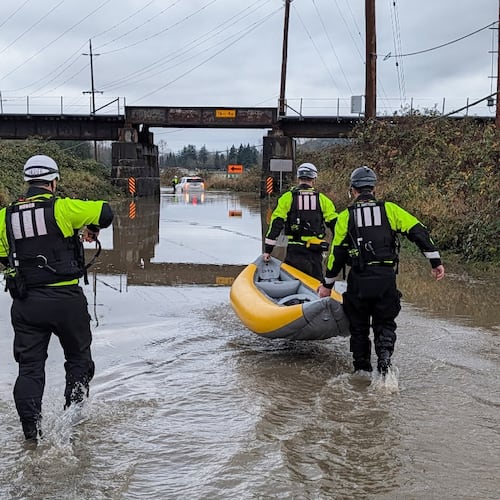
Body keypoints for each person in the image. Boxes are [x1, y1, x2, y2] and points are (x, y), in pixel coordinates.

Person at [0, 154, 114, 441]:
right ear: (53, 182)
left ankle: (31, 436)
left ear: (26, 182)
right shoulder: (63, 208)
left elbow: (3, 258)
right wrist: (91, 228)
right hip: (66, 301)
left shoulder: (5, 216)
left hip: (26, 304)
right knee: (78, 359)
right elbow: (106, 212)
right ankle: (71, 425)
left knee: (29, 370)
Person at [318, 166, 445, 375]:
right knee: (385, 323)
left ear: (353, 190)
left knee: (358, 329)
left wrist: (327, 285)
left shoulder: (345, 216)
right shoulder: (390, 210)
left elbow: (337, 254)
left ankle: (362, 371)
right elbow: (418, 232)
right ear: (374, 188)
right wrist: (435, 261)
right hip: (386, 279)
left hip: (359, 279)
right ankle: (384, 361)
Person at [263, 162, 337, 281]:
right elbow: (336, 227)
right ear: (314, 179)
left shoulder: (287, 198)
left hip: (294, 251)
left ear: (298, 178)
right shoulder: (323, 200)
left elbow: (276, 224)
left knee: (290, 282)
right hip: (315, 253)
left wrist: (268, 251)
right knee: (316, 284)